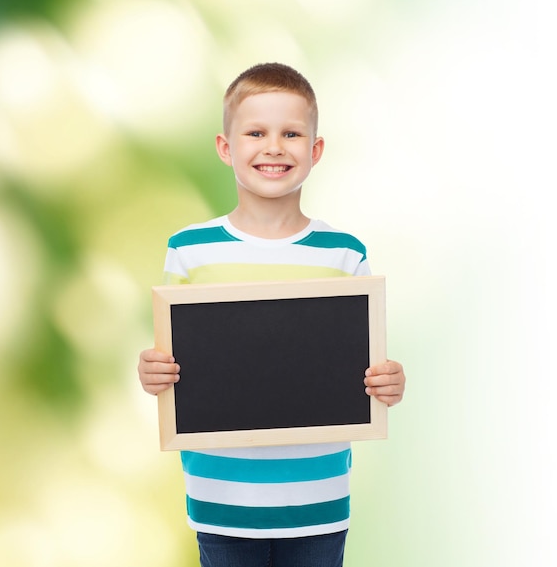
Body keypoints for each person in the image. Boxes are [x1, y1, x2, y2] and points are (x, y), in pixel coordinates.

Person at [137, 62, 406, 567]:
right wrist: (151, 372)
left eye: (292, 133)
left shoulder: (344, 253)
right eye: (256, 132)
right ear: (226, 147)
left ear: (315, 150)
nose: (274, 147)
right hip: (221, 500)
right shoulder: (189, 250)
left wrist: (389, 381)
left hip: (318, 499)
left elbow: (366, 367)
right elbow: (171, 358)